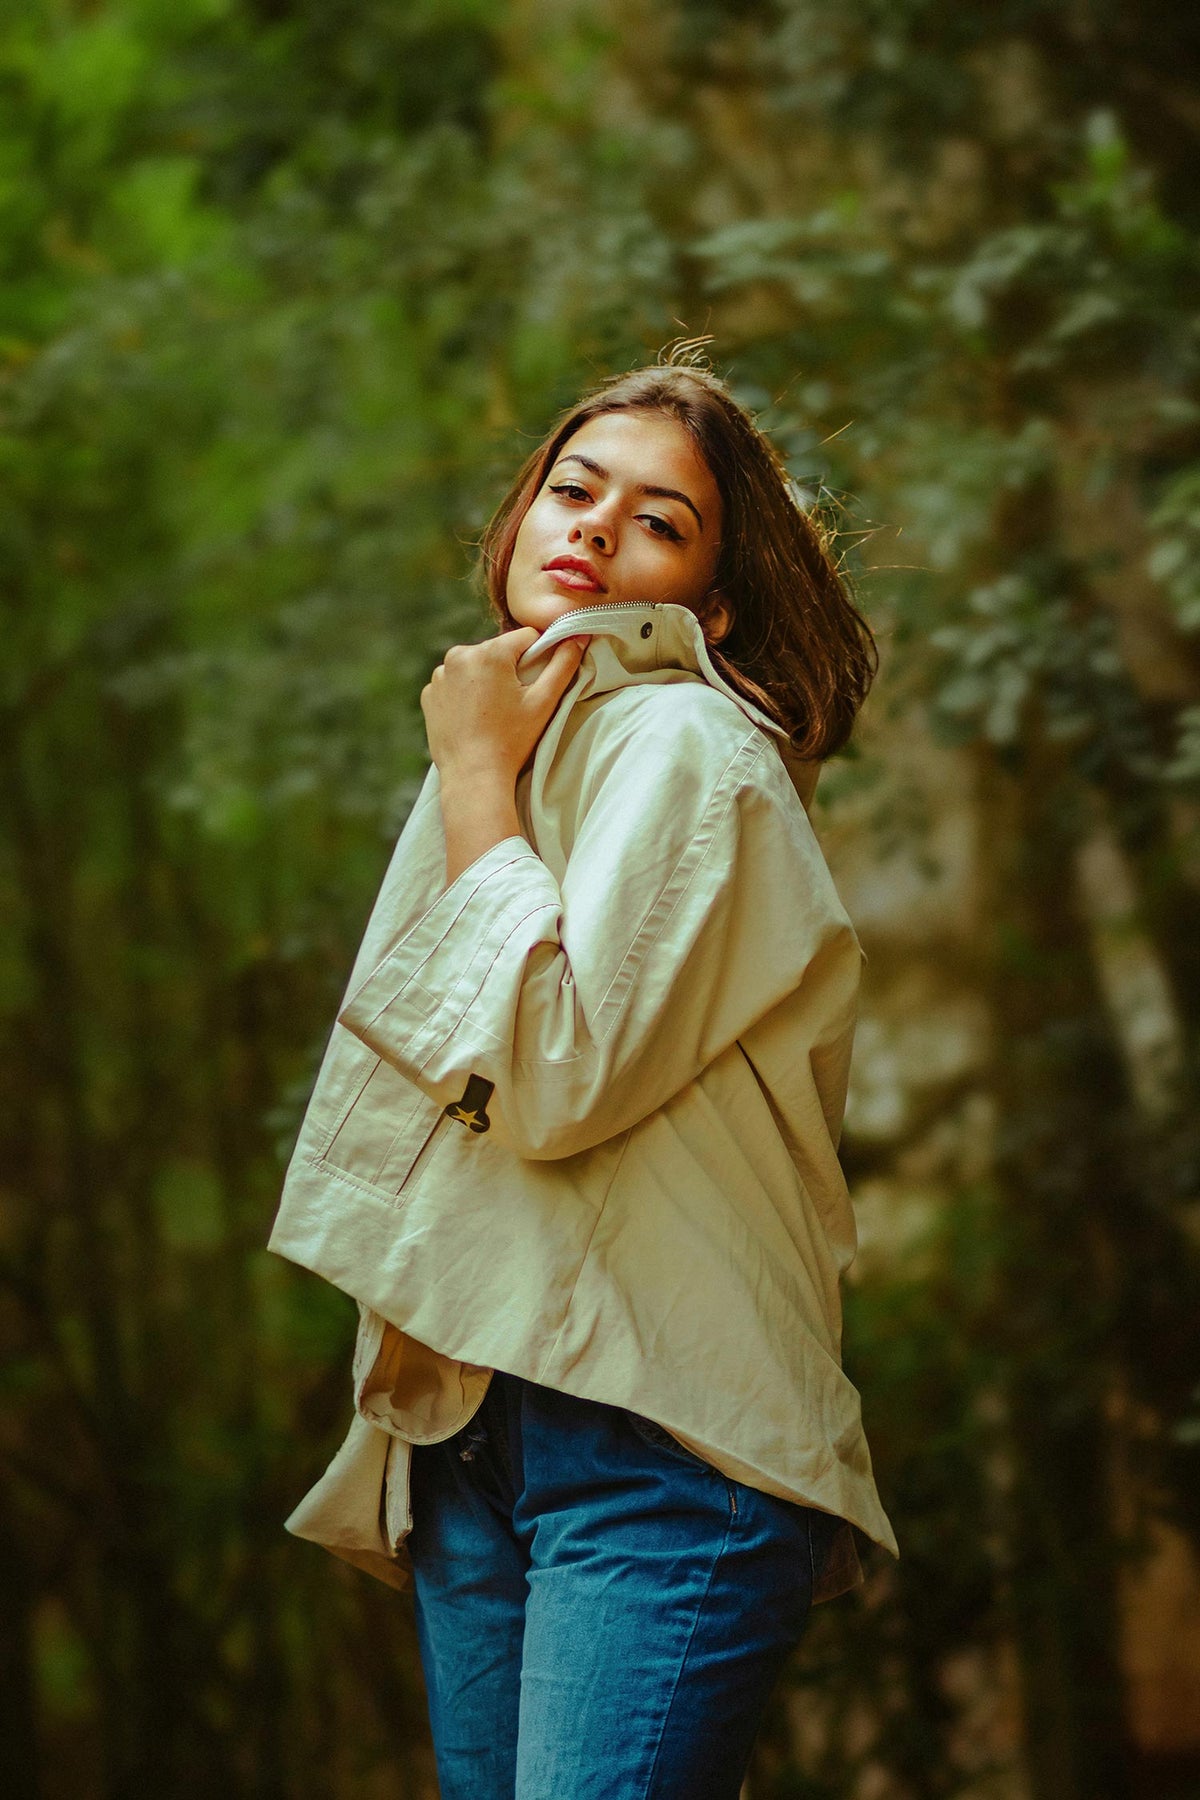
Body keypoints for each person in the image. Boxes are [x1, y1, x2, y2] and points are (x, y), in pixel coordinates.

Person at [267, 347, 899, 1800]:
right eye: (573, 488)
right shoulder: (516, 750)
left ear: (709, 603)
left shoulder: (687, 748)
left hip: (656, 1443)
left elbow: (548, 1077)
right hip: (488, 1431)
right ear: (514, 523)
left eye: (660, 522)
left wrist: (479, 779)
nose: (596, 530)